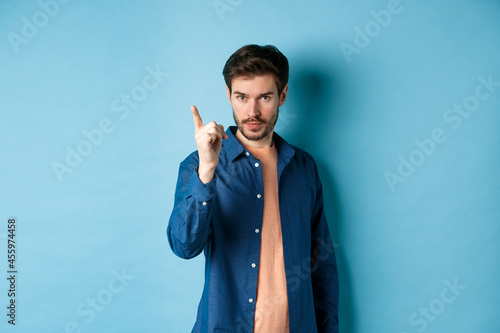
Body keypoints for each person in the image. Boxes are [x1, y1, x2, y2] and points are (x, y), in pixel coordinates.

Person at [167, 44, 339, 333]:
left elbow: (321, 261)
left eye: (265, 97)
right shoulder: (198, 166)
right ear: (228, 95)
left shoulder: (304, 167)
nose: (252, 111)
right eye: (242, 97)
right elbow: (184, 246)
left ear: (282, 96)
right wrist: (207, 171)